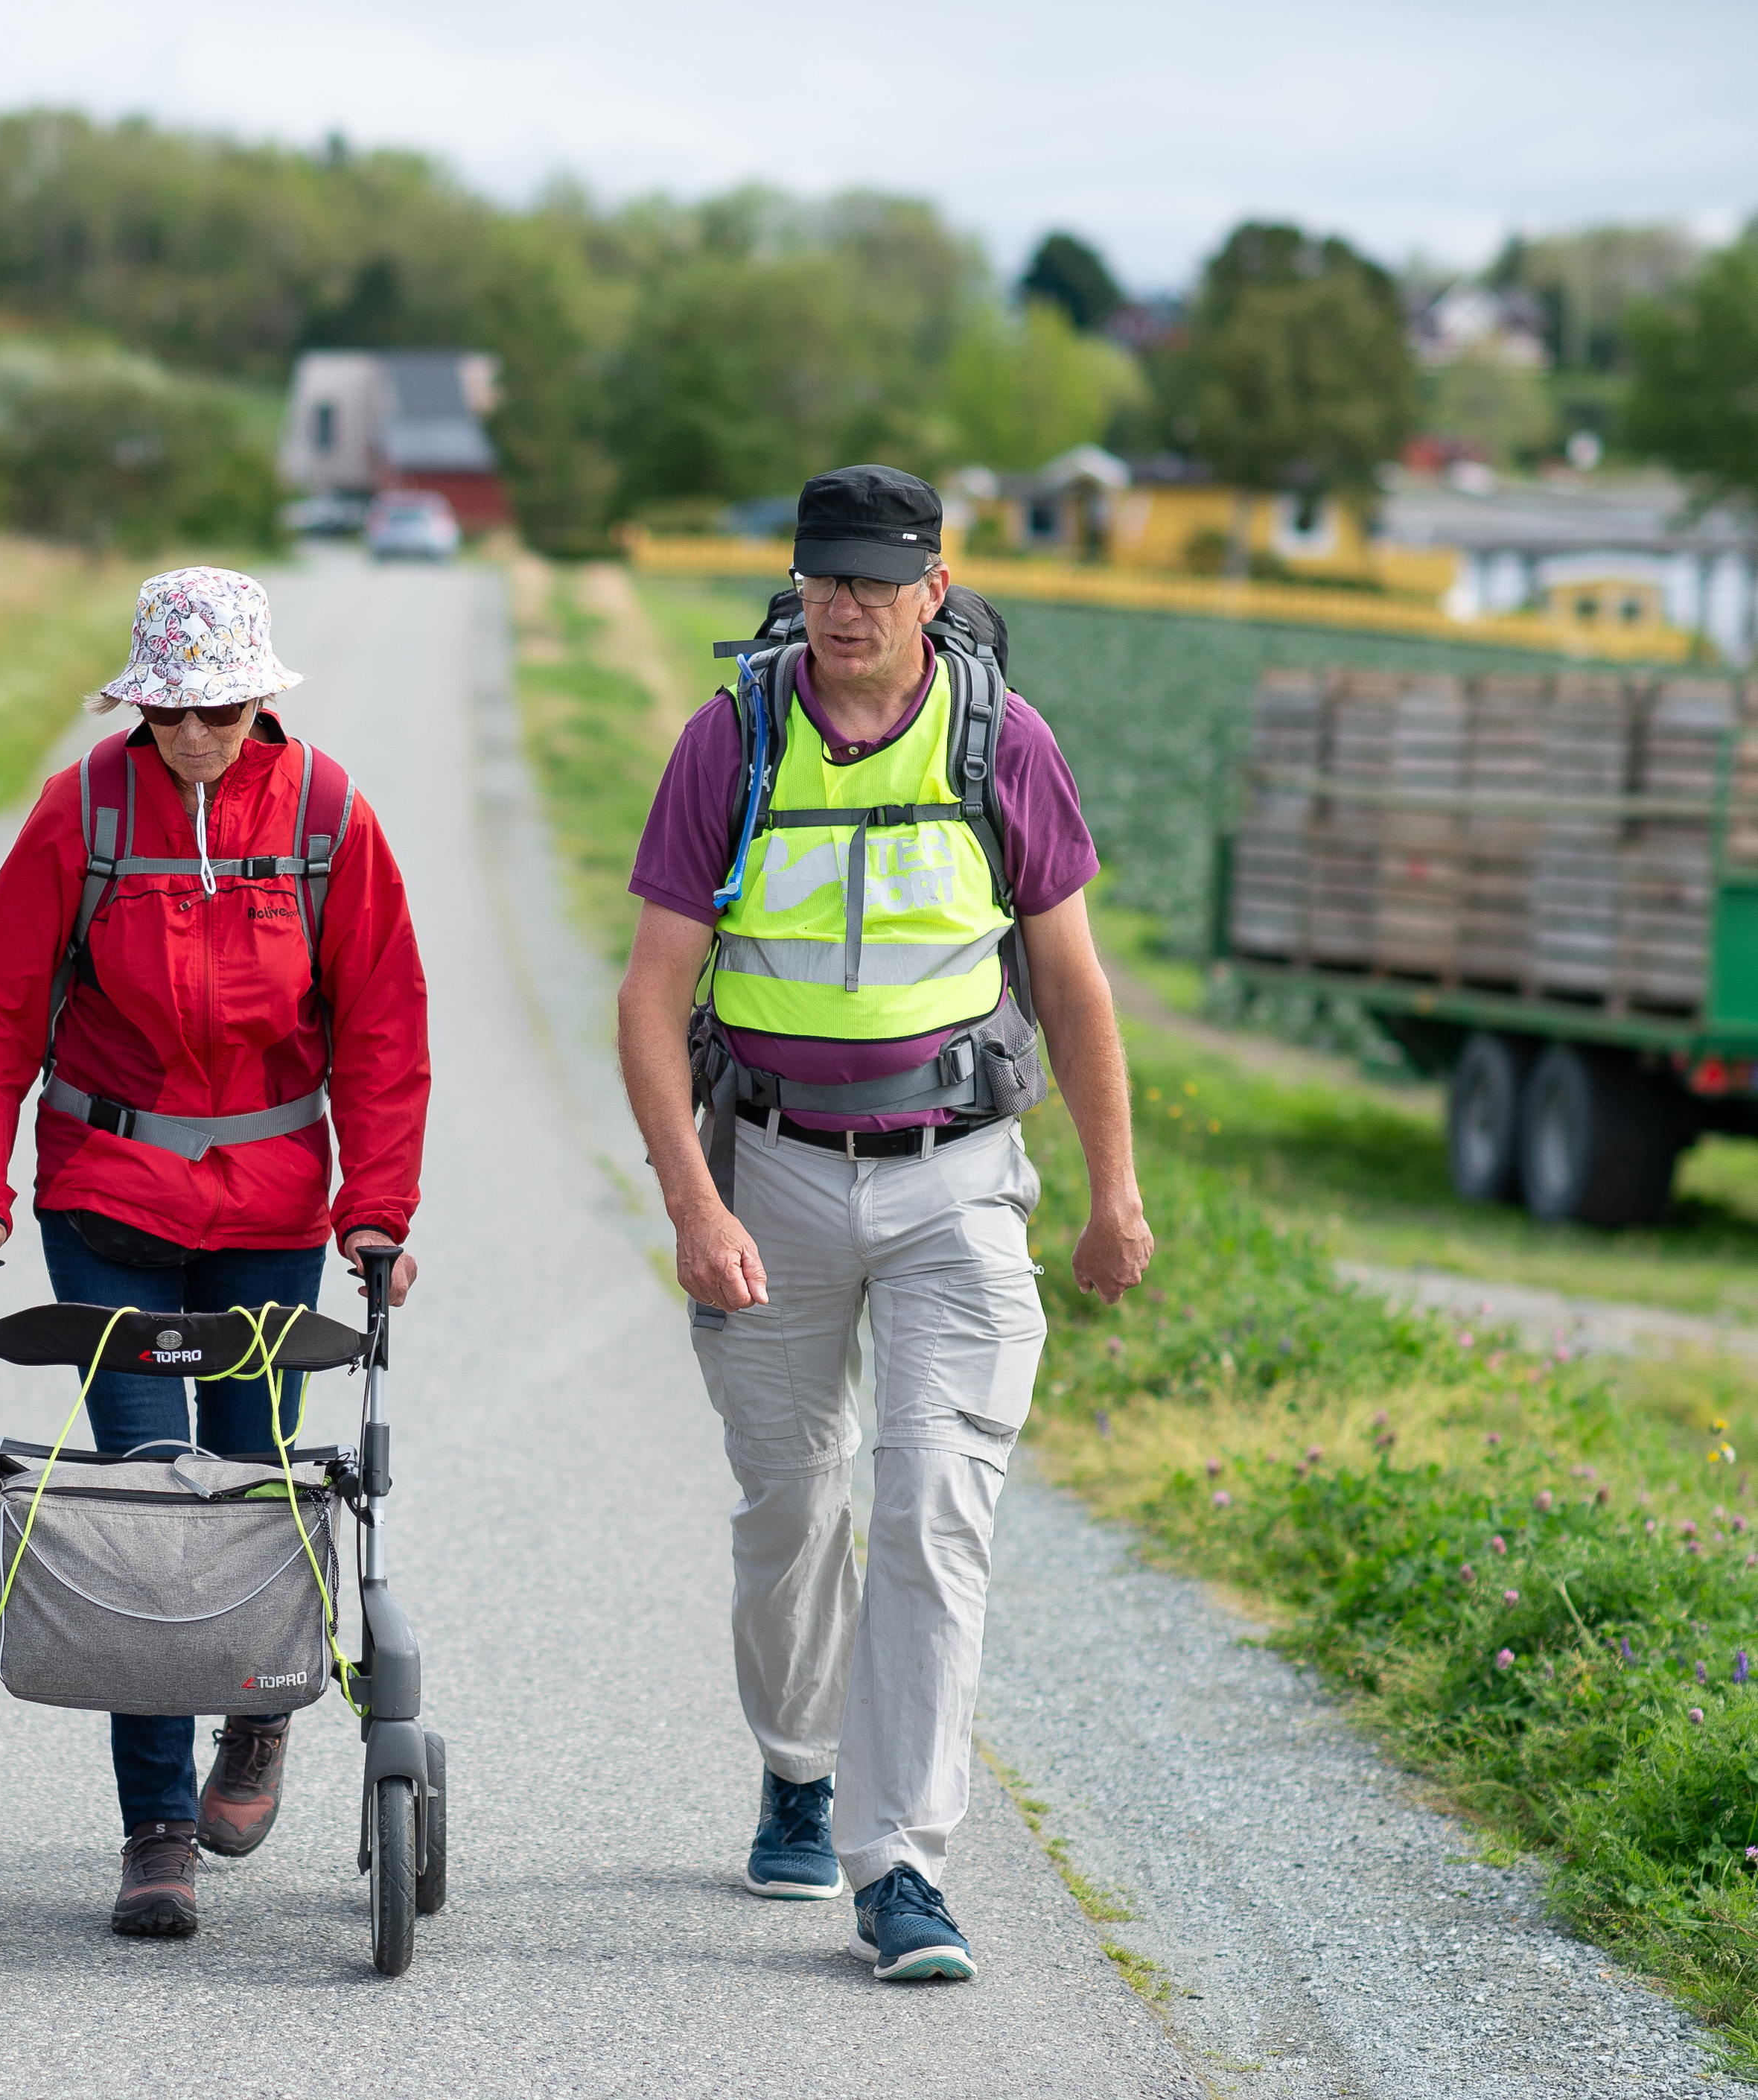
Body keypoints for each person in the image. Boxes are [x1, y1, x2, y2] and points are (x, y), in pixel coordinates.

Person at [614, 465, 1153, 1982]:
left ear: (932, 587)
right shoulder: (730, 741)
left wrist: (1115, 1194)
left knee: (930, 1508)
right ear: (796, 587)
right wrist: (692, 1201)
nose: (845, 606)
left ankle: (900, 1860)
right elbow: (653, 998)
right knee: (793, 1507)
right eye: (822, 578)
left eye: (875, 579)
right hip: (771, 1175)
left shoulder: (1002, 743)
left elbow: (1073, 984)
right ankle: (798, 1764)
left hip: (957, 1178)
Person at [0, 565, 431, 1941]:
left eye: (218, 709)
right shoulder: (81, 813)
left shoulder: (328, 818)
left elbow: (385, 1027)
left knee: (258, 1479)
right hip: (109, 1198)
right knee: (149, 1499)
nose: (195, 736)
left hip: (271, 1205)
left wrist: (375, 1211)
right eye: (169, 711)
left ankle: (255, 1721)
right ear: (137, 702)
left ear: (259, 697)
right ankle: (153, 1829)